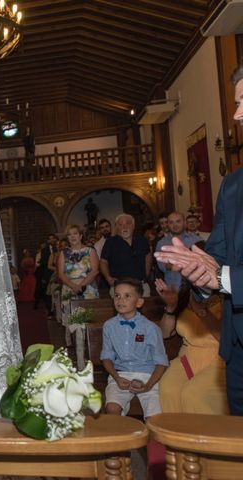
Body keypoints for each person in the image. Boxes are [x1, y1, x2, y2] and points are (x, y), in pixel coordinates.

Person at [154, 65, 243, 415]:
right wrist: (203, 278)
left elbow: (225, 273)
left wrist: (222, 277)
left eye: (242, 102)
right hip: (237, 353)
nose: (236, 114)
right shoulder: (233, 186)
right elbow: (217, 256)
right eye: (237, 103)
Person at [156, 278, 228, 415]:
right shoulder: (185, 295)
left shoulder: (227, 295)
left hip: (219, 360)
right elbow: (165, 334)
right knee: (168, 387)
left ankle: (203, 435)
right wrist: (171, 307)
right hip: (187, 359)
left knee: (193, 394)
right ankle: (174, 435)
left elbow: (224, 336)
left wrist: (200, 310)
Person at [100, 277, 168, 419]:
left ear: (139, 302)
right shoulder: (109, 326)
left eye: (127, 296)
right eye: (117, 296)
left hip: (148, 376)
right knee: (112, 408)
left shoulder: (150, 328)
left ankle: (153, 439)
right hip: (120, 375)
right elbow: (106, 358)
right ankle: (121, 438)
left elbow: (161, 363)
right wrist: (117, 377)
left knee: (154, 417)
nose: (120, 300)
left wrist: (148, 385)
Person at [100, 213, 152, 297]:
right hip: (119, 286)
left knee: (145, 309)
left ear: (133, 225)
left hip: (141, 285)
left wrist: (146, 273)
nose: (124, 227)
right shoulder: (110, 242)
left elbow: (148, 255)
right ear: (116, 227)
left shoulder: (141, 240)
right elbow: (103, 261)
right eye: (120, 224)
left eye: (128, 223)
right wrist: (108, 278)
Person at [155, 212, 200, 290]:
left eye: (178, 221)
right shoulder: (162, 243)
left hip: (195, 286)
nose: (175, 225)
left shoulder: (196, 240)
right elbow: (161, 265)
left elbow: (202, 262)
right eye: (171, 222)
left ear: (185, 223)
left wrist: (175, 262)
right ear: (168, 225)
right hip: (173, 286)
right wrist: (174, 265)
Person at [58, 224, 99, 299]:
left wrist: (80, 286)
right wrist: (73, 286)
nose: (72, 236)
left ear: (80, 236)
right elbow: (61, 274)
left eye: (75, 233)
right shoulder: (63, 253)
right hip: (69, 289)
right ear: (67, 238)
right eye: (69, 234)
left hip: (88, 288)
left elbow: (94, 271)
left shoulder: (90, 251)